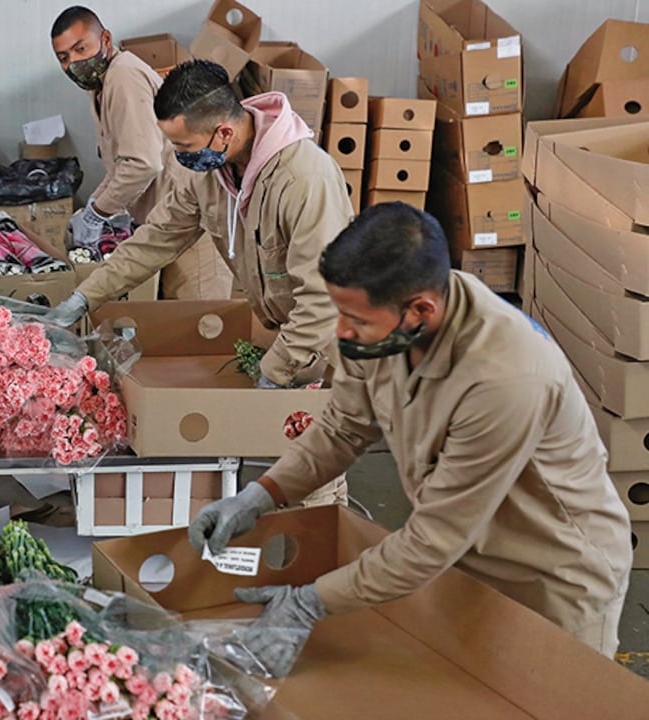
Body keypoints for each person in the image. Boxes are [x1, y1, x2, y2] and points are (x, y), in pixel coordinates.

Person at [189, 202, 632, 676]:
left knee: (556, 696)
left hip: (551, 576)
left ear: (421, 309)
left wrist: (309, 602)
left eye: (354, 318)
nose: (341, 331)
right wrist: (261, 495)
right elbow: (343, 427)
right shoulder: (380, 324)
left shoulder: (505, 379)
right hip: (467, 560)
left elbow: (431, 541)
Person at [46, 58, 351, 506]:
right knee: (275, 459)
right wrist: (81, 297)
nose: (180, 157)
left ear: (223, 133)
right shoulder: (210, 173)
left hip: (331, 341)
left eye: (183, 145)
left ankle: (324, 550)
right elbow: (155, 239)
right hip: (281, 326)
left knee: (313, 465)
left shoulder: (303, 179)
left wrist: (273, 373)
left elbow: (323, 301)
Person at [50, 6, 231, 300]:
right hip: (167, 223)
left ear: (105, 39)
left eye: (80, 48)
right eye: (64, 57)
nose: (74, 63)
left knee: (199, 324)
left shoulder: (123, 77)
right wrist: (94, 205)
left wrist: (97, 213)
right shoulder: (102, 85)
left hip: (190, 219)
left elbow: (143, 164)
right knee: (173, 321)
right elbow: (120, 165)